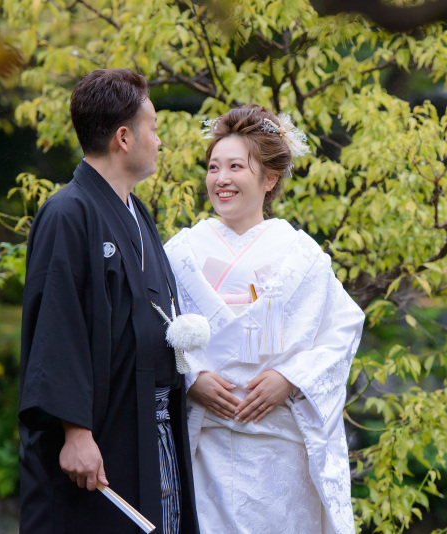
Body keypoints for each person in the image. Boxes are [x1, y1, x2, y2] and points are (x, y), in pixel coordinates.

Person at [163, 104, 365, 534]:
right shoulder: (180, 252)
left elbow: (343, 328)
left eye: (236, 166)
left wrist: (290, 377)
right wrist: (191, 376)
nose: (221, 178)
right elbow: (152, 326)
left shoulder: (302, 255)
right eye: (213, 167)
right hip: (205, 439)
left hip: (280, 448)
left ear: (269, 179)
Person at [18, 68, 199, 534]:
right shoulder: (67, 212)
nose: (159, 140)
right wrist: (75, 431)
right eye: (153, 128)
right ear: (124, 137)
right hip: (101, 430)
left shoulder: (137, 212)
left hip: (152, 425)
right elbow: (57, 327)